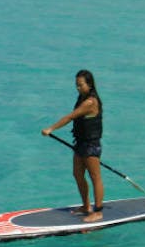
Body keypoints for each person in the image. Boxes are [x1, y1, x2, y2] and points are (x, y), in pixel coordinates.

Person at [42, 70, 104, 223]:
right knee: (77, 174)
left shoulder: (90, 102)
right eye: (76, 85)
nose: (78, 88)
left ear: (89, 84)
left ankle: (98, 211)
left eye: (80, 85)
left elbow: (70, 117)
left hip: (91, 145)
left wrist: (51, 128)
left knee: (95, 177)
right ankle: (85, 206)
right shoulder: (81, 97)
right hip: (80, 144)